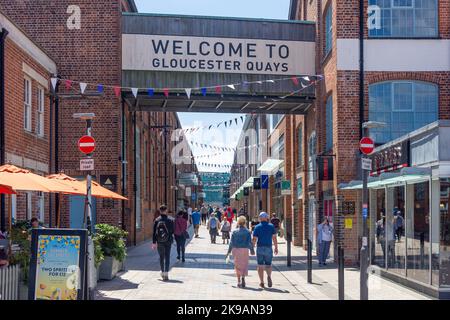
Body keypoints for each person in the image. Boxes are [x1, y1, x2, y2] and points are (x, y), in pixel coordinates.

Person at [226, 216, 255, 288]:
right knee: (244, 264)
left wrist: (228, 251)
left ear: (238, 223)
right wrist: (252, 250)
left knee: (237, 265)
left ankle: (239, 281)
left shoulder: (235, 232)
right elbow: (249, 242)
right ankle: (243, 277)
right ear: (245, 223)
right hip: (245, 250)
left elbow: (231, 243)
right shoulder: (248, 231)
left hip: (236, 249)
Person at [252, 212, 278, 288]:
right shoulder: (271, 226)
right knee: (268, 265)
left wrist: (252, 248)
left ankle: (262, 282)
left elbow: (254, 239)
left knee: (260, 266)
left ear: (260, 218)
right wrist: (276, 247)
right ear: (267, 218)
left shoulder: (257, 227)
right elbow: (274, 238)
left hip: (260, 247)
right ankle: (269, 276)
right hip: (268, 247)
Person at [152, 205, 175, 281]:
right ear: (166, 210)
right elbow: (173, 231)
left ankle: (162, 272)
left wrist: (154, 242)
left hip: (159, 241)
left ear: (160, 211)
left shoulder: (157, 220)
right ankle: (166, 273)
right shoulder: (170, 220)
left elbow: (154, 232)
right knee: (167, 256)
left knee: (161, 257)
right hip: (168, 241)